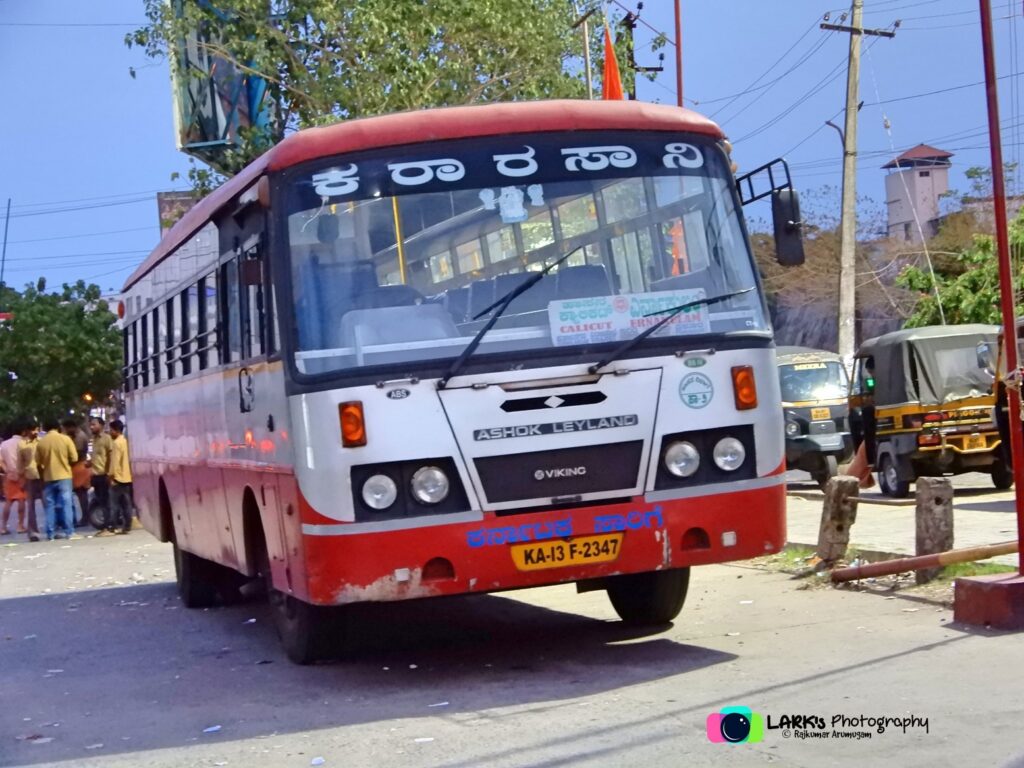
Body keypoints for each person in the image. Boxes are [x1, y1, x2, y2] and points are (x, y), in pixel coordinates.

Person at [35, 417, 78, 541]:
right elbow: (74, 458)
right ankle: (69, 532)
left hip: (48, 477)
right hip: (64, 476)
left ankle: (50, 534)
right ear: (57, 426)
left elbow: (38, 462)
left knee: (50, 505)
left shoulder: (41, 443)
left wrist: (42, 475)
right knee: (66, 504)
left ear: (45, 428)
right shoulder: (66, 439)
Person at [87, 417, 114, 536]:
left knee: (106, 501)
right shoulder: (92, 440)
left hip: (104, 475)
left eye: (94, 424)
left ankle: (109, 526)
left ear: (101, 425)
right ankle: (105, 526)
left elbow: (111, 456)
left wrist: (110, 473)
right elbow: (93, 457)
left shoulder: (107, 439)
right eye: (91, 425)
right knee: (100, 501)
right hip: (95, 475)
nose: (92, 427)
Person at [63, 418, 91, 527]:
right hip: (78, 466)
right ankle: (85, 516)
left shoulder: (79, 437)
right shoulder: (77, 435)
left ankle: (85, 517)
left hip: (79, 466)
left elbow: (77, 455)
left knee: (81, 493)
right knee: (81, 494)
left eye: (66, 428)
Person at [17, 421, 42, 542]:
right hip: (29, 476)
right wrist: (21, 479)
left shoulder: (41, 442)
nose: (35, 432)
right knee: (30, 506)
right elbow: (20, 464)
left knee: (48, 503)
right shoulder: (22, 444)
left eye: (36, 429)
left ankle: (52, 529)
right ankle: (33, 531)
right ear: (27, 431)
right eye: (33, 430)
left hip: (42, 475)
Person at [108, 420, 133, 535]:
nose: (110, 432)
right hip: (128, 477)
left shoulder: (116, 443)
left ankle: (113, 526)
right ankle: (127, 526)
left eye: (111, 430)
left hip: (118, 478)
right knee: (127, 504)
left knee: (115, 504)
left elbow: (115, 462)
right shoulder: (126, 442)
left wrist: (111, 476)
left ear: (116, 431)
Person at [1, 421, 27, 535]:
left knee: (8, 501)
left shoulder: (4, 444)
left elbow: (0, 461)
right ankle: (20, 525)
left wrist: (7, 470)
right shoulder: (24, 443)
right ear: (23, 431)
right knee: (21, 499)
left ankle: (3, 527)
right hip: (22, 474)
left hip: (9, 475)